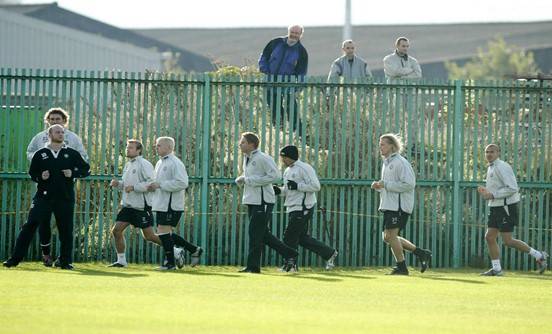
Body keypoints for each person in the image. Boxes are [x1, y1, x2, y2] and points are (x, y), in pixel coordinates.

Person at [4, 124, 90, 269]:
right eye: (57, 132)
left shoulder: (72, 153)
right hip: (43, 197)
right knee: (29, 225)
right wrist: (40, 176)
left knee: (66, 229)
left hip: (65, 197)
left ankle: (65, 261)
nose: (61, 134)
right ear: (49, 134)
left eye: (62, 132)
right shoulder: (40, 153)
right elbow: (32, 173)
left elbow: (86, 169)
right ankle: (14, 259)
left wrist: (73, 173)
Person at [108, 139, 186, 268]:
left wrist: (135, 187)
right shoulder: (128, 165)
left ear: (138, 150)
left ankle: (175, 251)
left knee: (149, 236)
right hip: (128, 206)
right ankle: (121, 261)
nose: (127, 150)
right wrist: (119, 184)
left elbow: (151, 183)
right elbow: (127, 185)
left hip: (141, 207)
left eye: (131, 148)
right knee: (116, 231)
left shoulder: (144, 164)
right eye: (127, 147)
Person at [26, 107, 88, 267]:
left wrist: (71, 170)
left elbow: (83, 158)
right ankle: (46, 253)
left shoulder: (73, 139)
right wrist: (44, 163)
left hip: (65, 188)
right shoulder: (39, 138)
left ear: (64, 122)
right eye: (52, 119)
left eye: (58, 119)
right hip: (44, 186)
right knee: (43, 222)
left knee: (65, 225)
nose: (55, 121)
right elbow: (30, 152)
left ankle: (64, 259)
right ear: (47, 121)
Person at [477, 144, 548, 276]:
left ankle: (539, 255)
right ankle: (497, 269)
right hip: (494, 207)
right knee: (489, 237)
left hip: (506, 208)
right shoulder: (491, 167)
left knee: (508, 241)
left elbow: (512, 188)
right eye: (487, 152)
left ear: (498, 152)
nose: (489, 154)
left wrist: (492, 195)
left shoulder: (502, 166)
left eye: (492, 152)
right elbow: (497, 189)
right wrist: (487, 193)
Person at [235, 132, 298, 273]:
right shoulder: (247, 158)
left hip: (263, 201)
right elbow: (253, 177)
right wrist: (243, 178)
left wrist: (249, 180)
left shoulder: (262, 158)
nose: (240, 144)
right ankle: (290, 254)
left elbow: (275, 176)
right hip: (252, 200)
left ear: (252, 144)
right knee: (263, 234)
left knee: (255, 234)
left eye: (243, 142)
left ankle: (253, 267)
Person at [371, 134, 432, 275]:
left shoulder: (401, 162)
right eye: (380, 144)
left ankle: (402, 267)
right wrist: (380, 186)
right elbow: (391, 185)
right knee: (387, 238)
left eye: (383, 144)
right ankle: (421, 253)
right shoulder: (386, 163)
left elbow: (409, 184)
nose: (380, 147)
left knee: (391, 236)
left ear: (392, 145)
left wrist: (385, 184)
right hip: (388, 205)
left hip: (399, 207)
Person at [275, 145, 338, 271]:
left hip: (304, 207)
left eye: (284, 157)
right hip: (292, 207)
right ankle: (329, 253)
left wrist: (298, 186)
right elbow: (289, 190)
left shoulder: (304, 168)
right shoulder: (288, 171)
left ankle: (291, 265)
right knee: (301, 238)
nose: (282, 160)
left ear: (290, 157)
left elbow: (316, 186)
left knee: (289, 236)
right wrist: (279, 191)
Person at [147, 137, 202, 270]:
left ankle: (170, 263)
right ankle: (194, 249)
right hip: (161, 203)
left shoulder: (175, 163)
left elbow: (182, 183)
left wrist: (160, 185)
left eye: (159, 145)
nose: (156, 147)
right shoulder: (160, 163)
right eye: (156, 145)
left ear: (169, 148)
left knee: (163, 232)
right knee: (165, 234)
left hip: (171, 205)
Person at [258, 25, 308, 135]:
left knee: (292, 108)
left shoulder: (301, 51)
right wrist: (264, 69)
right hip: (270, 80)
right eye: (292, 32)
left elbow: (301, 71)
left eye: (297, 33)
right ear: (289, 31)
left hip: (288, 82)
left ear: (300, 35)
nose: (294, 35)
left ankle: (298, 133)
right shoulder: (275, 42)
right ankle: (279, 130)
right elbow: (264, 57)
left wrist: (298, 86)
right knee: (274, 106)